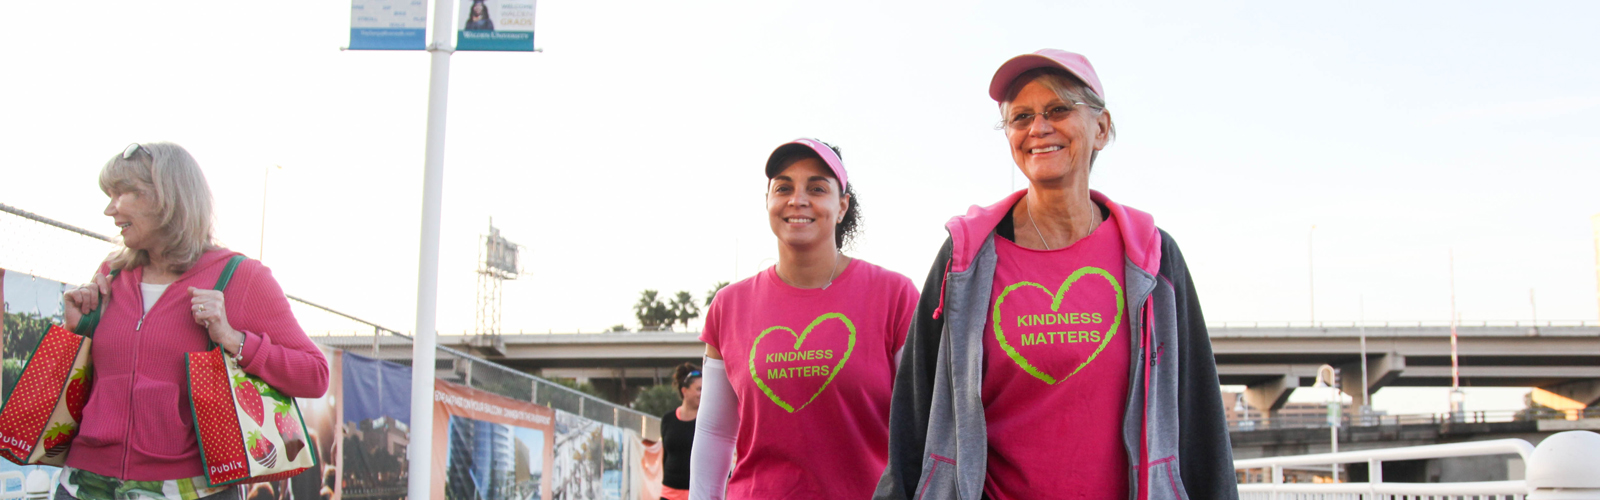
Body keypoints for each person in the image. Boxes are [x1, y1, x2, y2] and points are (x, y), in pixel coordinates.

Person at [873, 50, 1237, 500]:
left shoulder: (1154, 257)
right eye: (1020, 117)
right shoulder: (963, 260)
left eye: (1058, 110)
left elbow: (1198, 416)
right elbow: (915, 416)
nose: (1037, 128)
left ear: (1101, 129)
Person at [58, 142, 330, 500]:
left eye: (124, 193)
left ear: (168, 199)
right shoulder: (112, 273)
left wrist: (234, 339)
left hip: (191, 490)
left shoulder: (242, 277)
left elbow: (315, 374)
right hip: (84, 484)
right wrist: (78, 330)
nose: (110, 209)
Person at [689, 139, 919, 500]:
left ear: (842, 206)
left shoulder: (894, 295)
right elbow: (715, 433)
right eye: (783, 188)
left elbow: (922, 424)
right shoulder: (728, 306)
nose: (797, 199)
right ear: (767, 202)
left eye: (817, 188)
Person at [659, 363, 702, 500]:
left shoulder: (706, 422)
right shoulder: (668, 419)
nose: (703, 394)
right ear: (684, 391)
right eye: (699, 389)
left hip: (697, 494)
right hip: (669, 493)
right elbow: (664, 456)